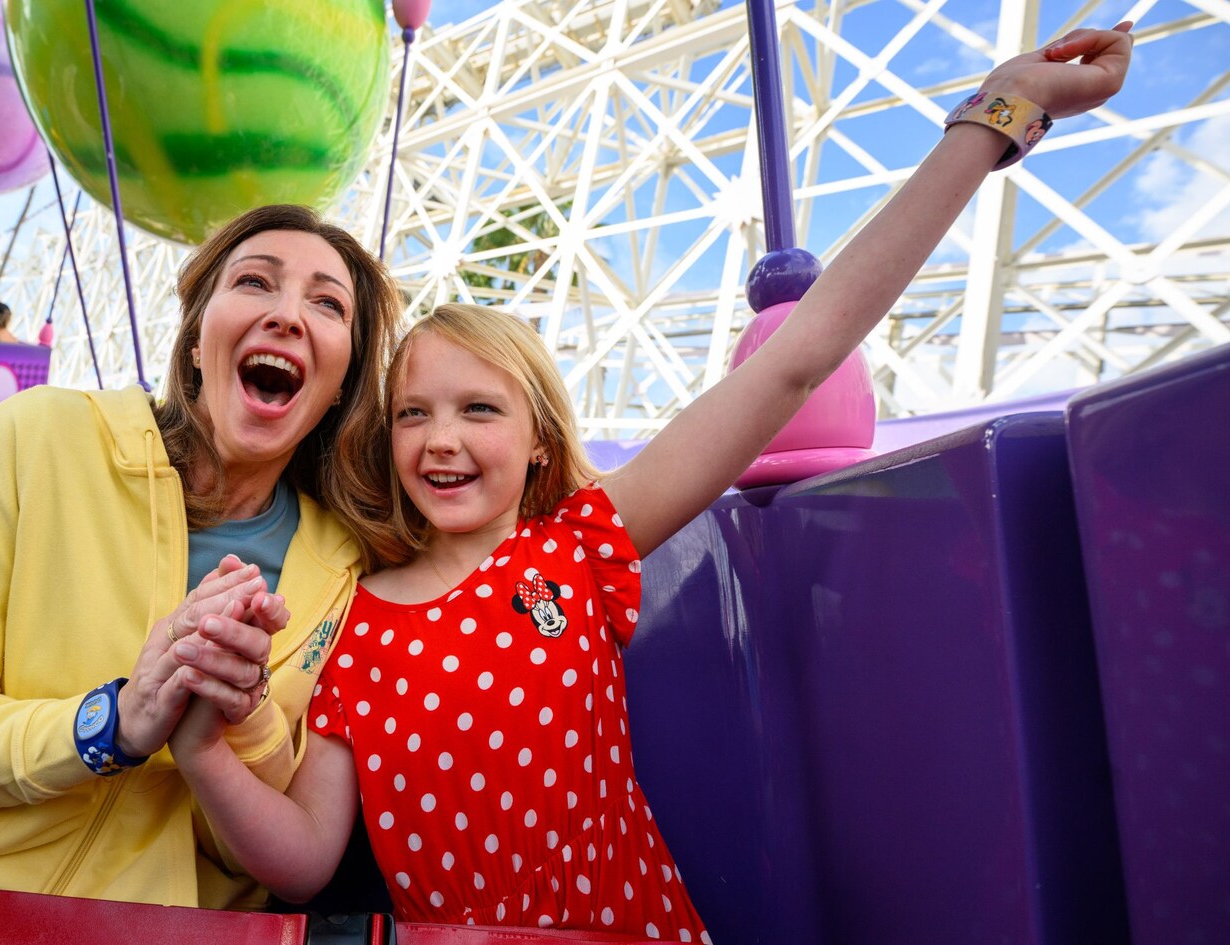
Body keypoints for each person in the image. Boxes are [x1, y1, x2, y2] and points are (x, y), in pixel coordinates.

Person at [168, 25, 1135, 938]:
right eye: (414, 412)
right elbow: (302, 856)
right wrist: (204, 750)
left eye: (480, 409)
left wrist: (999, 112)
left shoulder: (577, 547)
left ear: (542, 441)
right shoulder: (357, 622)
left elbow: (798, 358)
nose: (440, 440)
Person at [0, 204, 400, 909]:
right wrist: (109, 722)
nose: (288, 316)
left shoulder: (340, 568)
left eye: (327, 302)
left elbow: (254, 850)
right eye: (254, 282)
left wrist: (242, 717)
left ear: (341, 383)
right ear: (194, 340)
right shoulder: (38, 439)